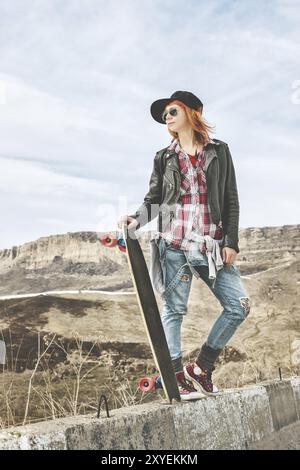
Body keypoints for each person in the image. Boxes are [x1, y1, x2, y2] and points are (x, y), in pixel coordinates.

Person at [118, 91, 251, 400]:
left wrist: (231, 241)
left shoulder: (219, 151)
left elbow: (231, 199)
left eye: (172, 110)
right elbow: (154, 200)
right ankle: (175, 375)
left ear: (192, 112)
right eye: (164, 115)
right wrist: (136, 219)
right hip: (173, 243)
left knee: (239, 306)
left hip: (211, 246)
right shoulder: (164, 157)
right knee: (174, 309)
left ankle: (201, 369)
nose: (167, 117)